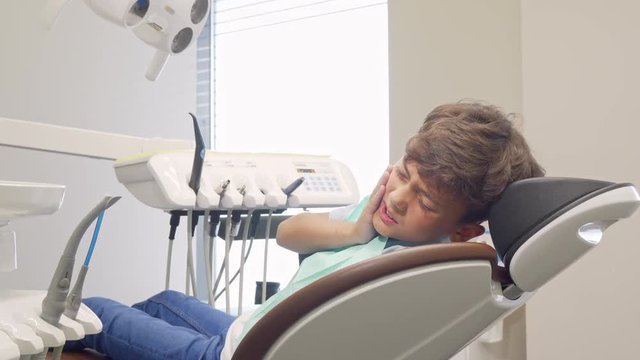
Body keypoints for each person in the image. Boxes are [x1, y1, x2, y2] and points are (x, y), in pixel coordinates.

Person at [65, 101, 545, 360]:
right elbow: (289, 232)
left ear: (463, 231)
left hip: (236, 354)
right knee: (164, 300)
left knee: (92, 311)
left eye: (426, 200)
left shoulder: (414, 271)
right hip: (243, 330)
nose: (399, 197)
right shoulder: (380, 216)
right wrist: (355, 231)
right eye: (403, 172)